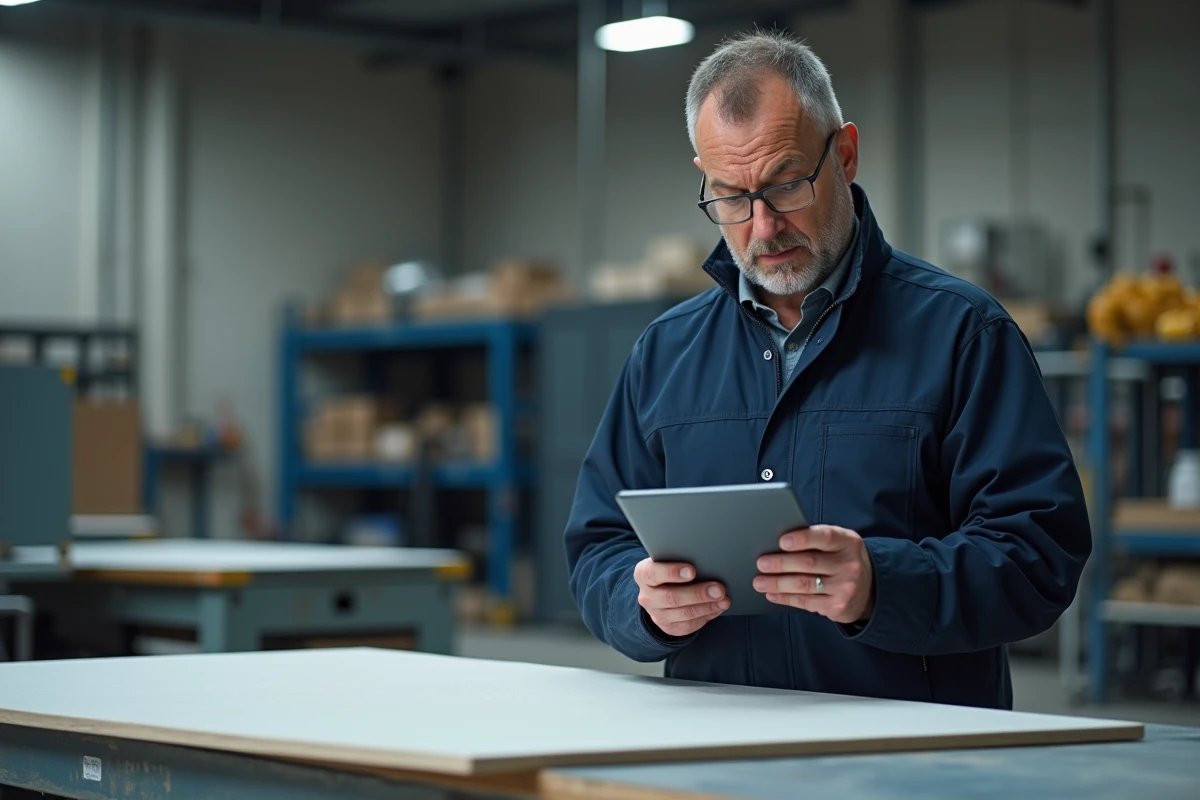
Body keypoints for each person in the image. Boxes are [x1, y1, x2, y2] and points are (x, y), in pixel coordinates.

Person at [563, 30, 1091, 709]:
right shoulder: (666, 352)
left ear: (845, 153)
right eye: (729, 196)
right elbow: (598, 544)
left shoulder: (961, 334)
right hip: (714, 748)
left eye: (785, 185)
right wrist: (639, 603)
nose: (762, 227)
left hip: (915, 755)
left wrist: (883, 584)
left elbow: (1038, 553)